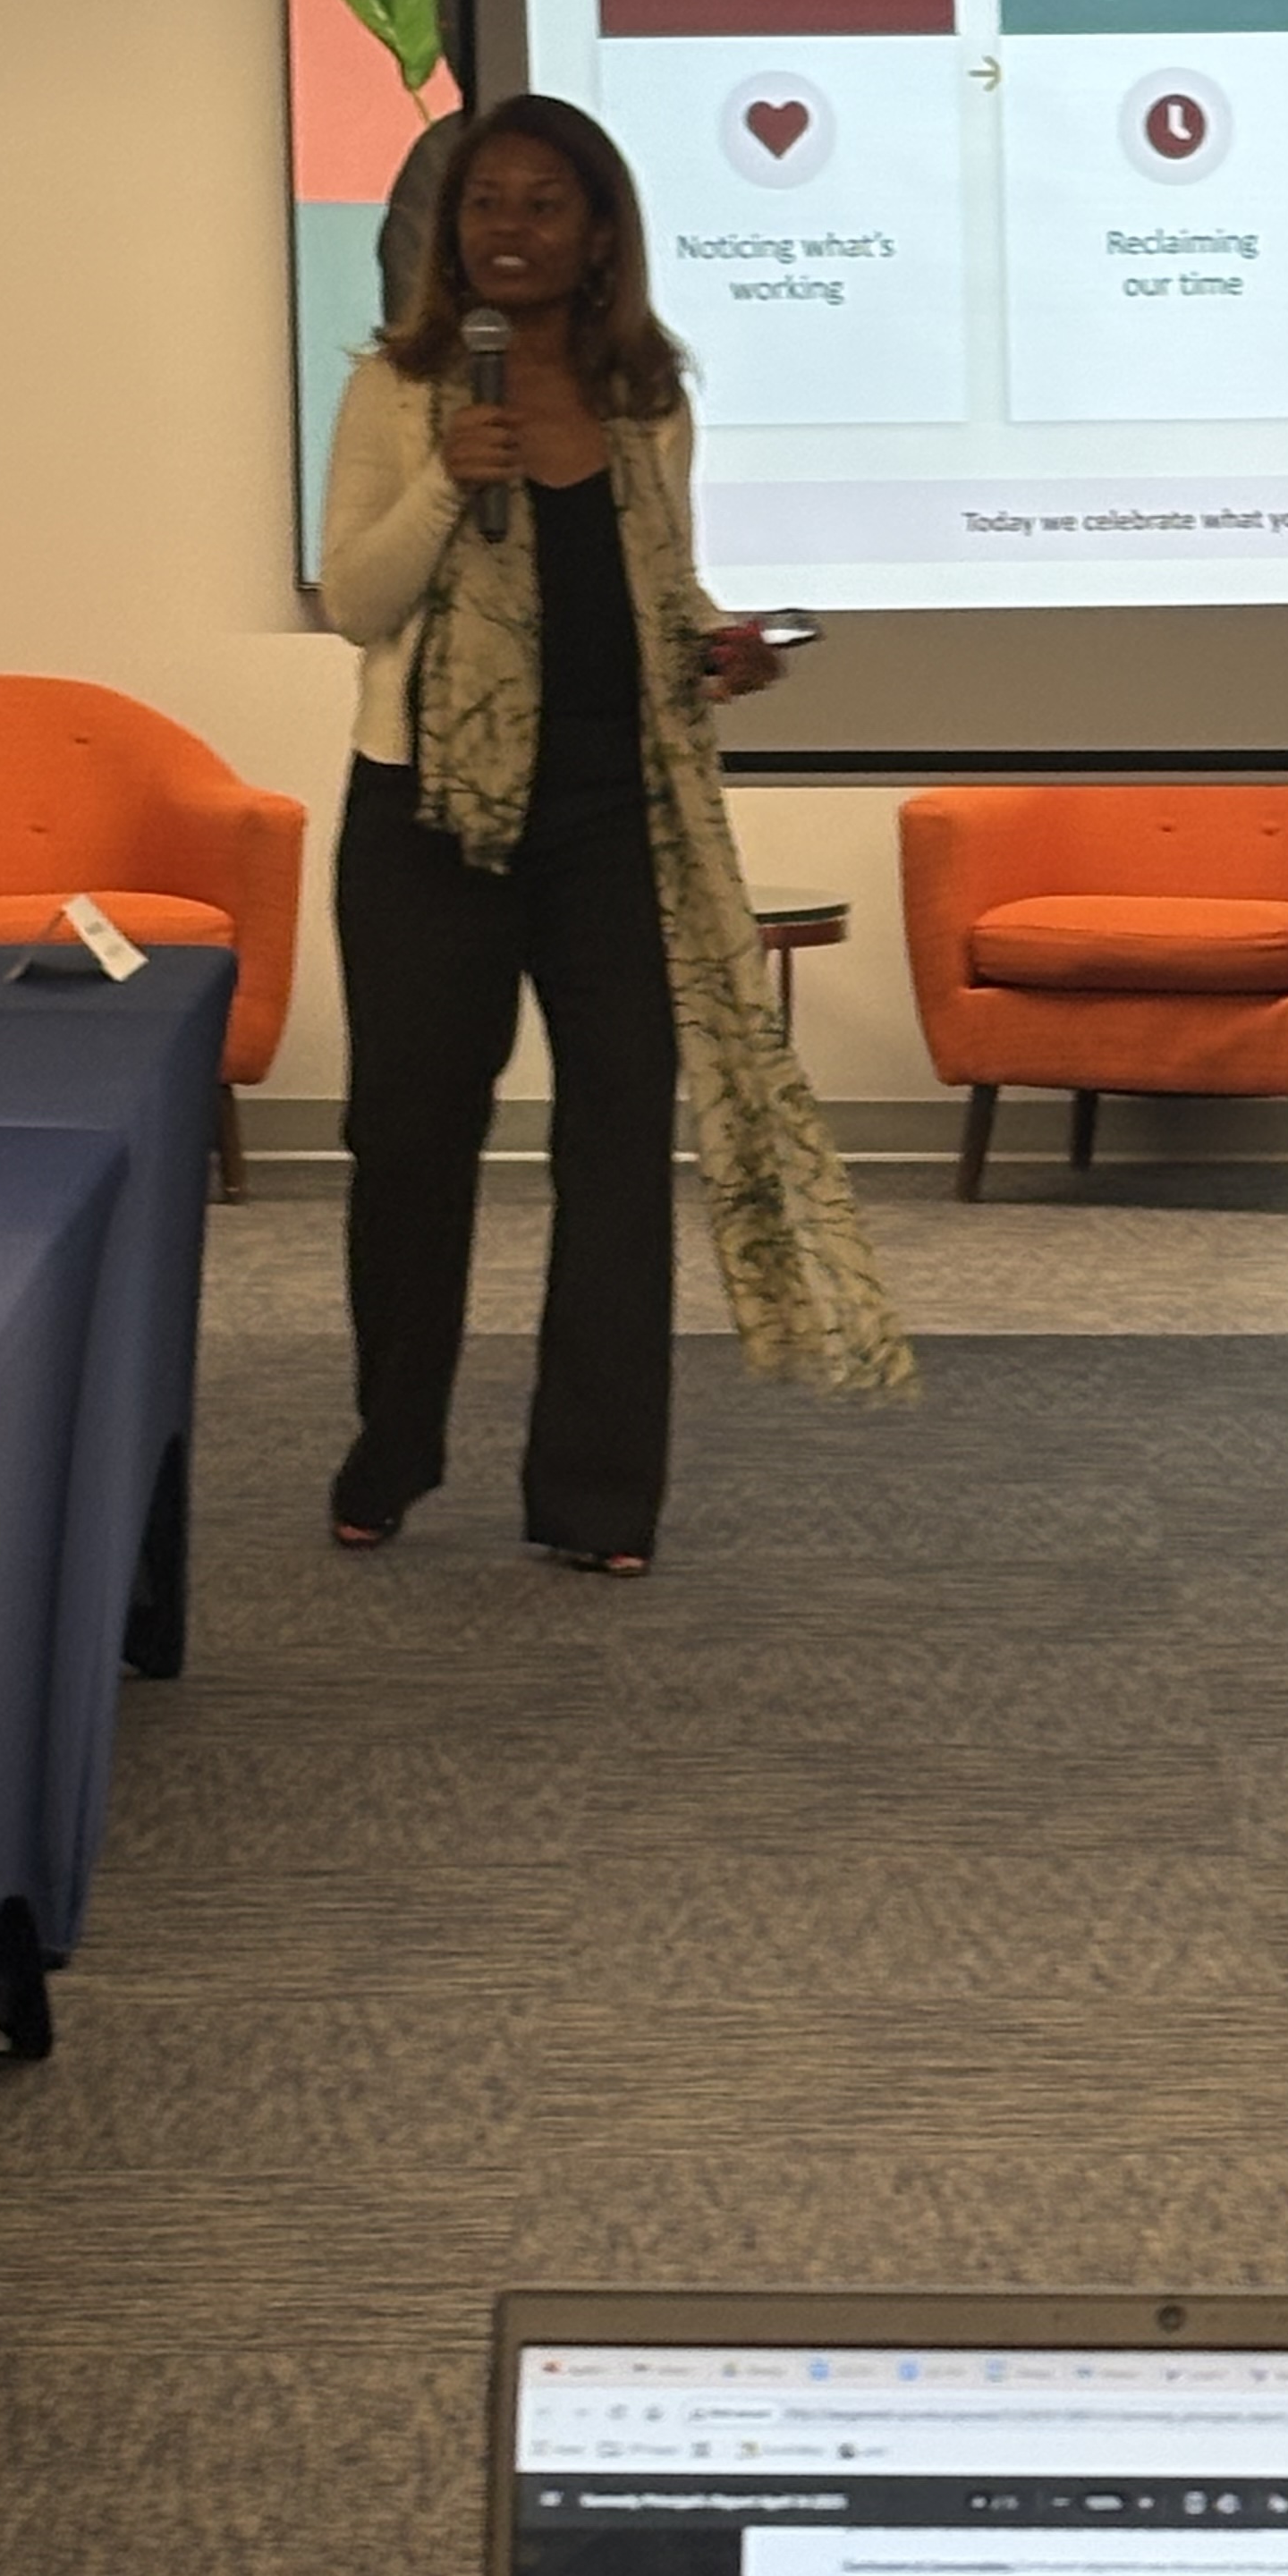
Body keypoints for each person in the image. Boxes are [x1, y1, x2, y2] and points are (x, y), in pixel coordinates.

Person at [318, 91, 911, 1572]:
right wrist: (453, 476)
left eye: (542, 204)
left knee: (617, 1147)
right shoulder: (399, 390)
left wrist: (726, 643)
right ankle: (393, 1447)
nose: (506, 228)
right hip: (428, 816)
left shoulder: (649, 398)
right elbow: (358, 606)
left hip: (613, 821)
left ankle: (593, 1496)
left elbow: (661, 587)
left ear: (597, 237)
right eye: (483, 203)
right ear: (453, 234)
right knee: (408, 1147)